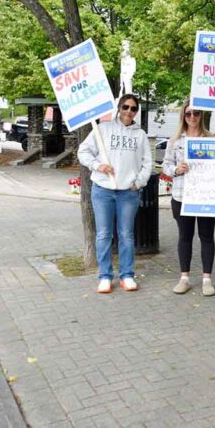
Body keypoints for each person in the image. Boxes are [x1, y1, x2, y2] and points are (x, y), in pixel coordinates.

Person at [77, 94, 153, 293]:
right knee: (103, 234)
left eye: (134, 108)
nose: (129, 111)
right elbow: (83, 151)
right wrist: (98, 165)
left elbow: (147, 162)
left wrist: (138, 183)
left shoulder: (140, 135)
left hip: (128, 192)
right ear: (119, 108)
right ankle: (105, 276)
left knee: (126, 234)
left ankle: (127, 275)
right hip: (103, 190)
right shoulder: (103, 129)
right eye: (126, 107)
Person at [162, 104, 215, 296]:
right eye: (188, 113)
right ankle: (184, 278)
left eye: (196, 113)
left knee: (207, 237)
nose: (192, 116)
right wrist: (176, 170)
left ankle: (207, 279)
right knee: (185, 237)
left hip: (206, 197)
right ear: (183, 116)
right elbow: (165, 166)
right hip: (181, 195)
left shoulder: (212, 138)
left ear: (202, 115)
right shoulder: (175, 141)